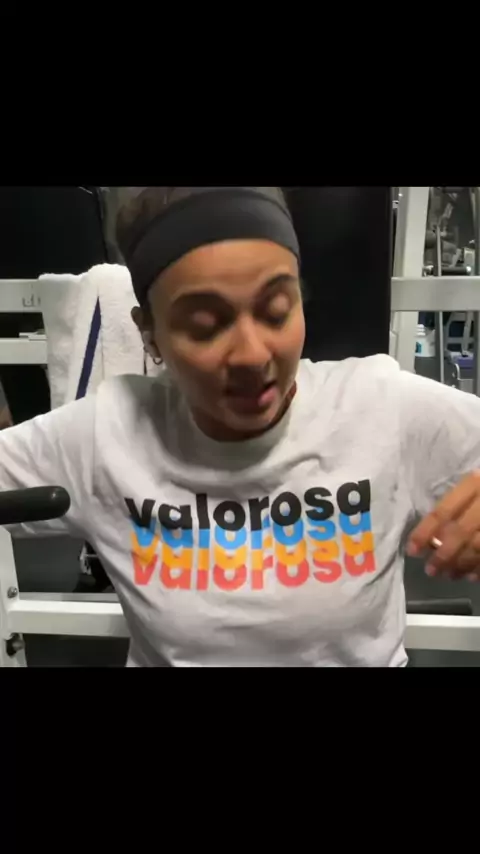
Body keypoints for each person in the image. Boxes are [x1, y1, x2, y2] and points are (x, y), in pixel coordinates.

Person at [1, 185, 480, 668]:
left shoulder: (380, 407)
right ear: (150, 334)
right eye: (205, 325)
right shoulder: (112, 430)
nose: (252, 355)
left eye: (276, 311)